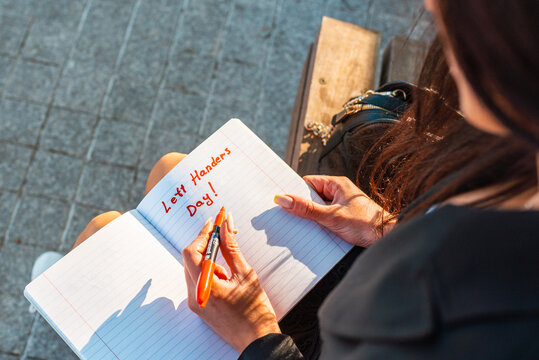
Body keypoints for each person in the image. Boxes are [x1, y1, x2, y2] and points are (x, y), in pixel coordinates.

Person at [71, 0, 539, 358]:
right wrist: (385, 228)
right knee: (171, 171)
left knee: (99, 240)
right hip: (373, 295)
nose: (430, 9)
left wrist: (255, 331)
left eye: (459, 23)